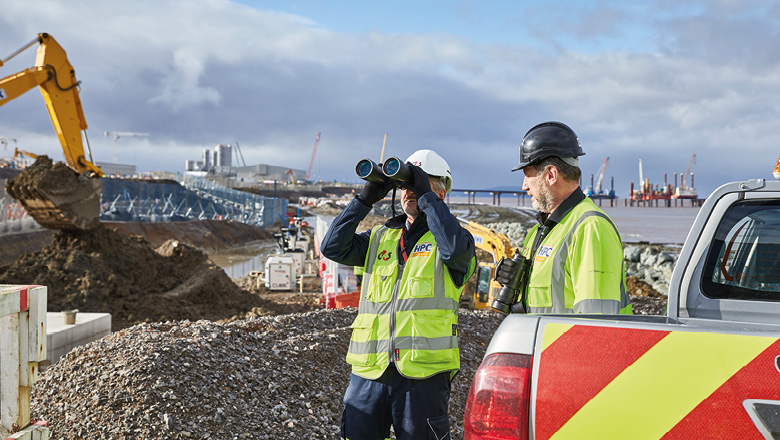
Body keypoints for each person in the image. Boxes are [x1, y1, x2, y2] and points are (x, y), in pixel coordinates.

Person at [320, 149, 476, 440]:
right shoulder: (381, 237)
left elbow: (454, 252)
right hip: (369, 372)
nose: (409, 192)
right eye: (405, 185)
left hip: (423, 376)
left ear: (441, 191)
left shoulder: (457, 241)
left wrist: (426, 198)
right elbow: (332, 247)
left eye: (419, 183)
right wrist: (365, 198)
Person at [496, 121, 632, 314]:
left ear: (551, 174)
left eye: (528, 175)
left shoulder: (591, 227)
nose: (524, 186)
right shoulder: (541, 230)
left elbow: (596, 325)